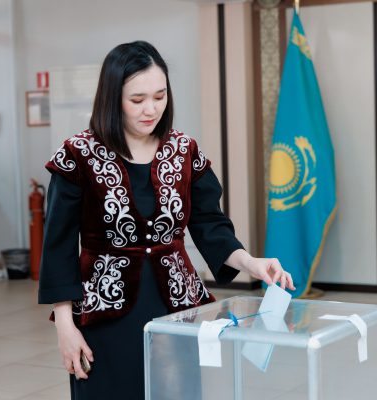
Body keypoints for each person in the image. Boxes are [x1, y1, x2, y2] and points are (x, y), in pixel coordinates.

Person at [38, 40, 295, 400]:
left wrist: (251, 262)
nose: (151, 109)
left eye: (160, 96)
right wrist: (64, 326)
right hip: (104, 312)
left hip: (178, 309)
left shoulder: (183, 150)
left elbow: (210, 225)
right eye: (137, 99)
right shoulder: (79, 155)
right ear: (112, 98)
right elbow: (59, 245)